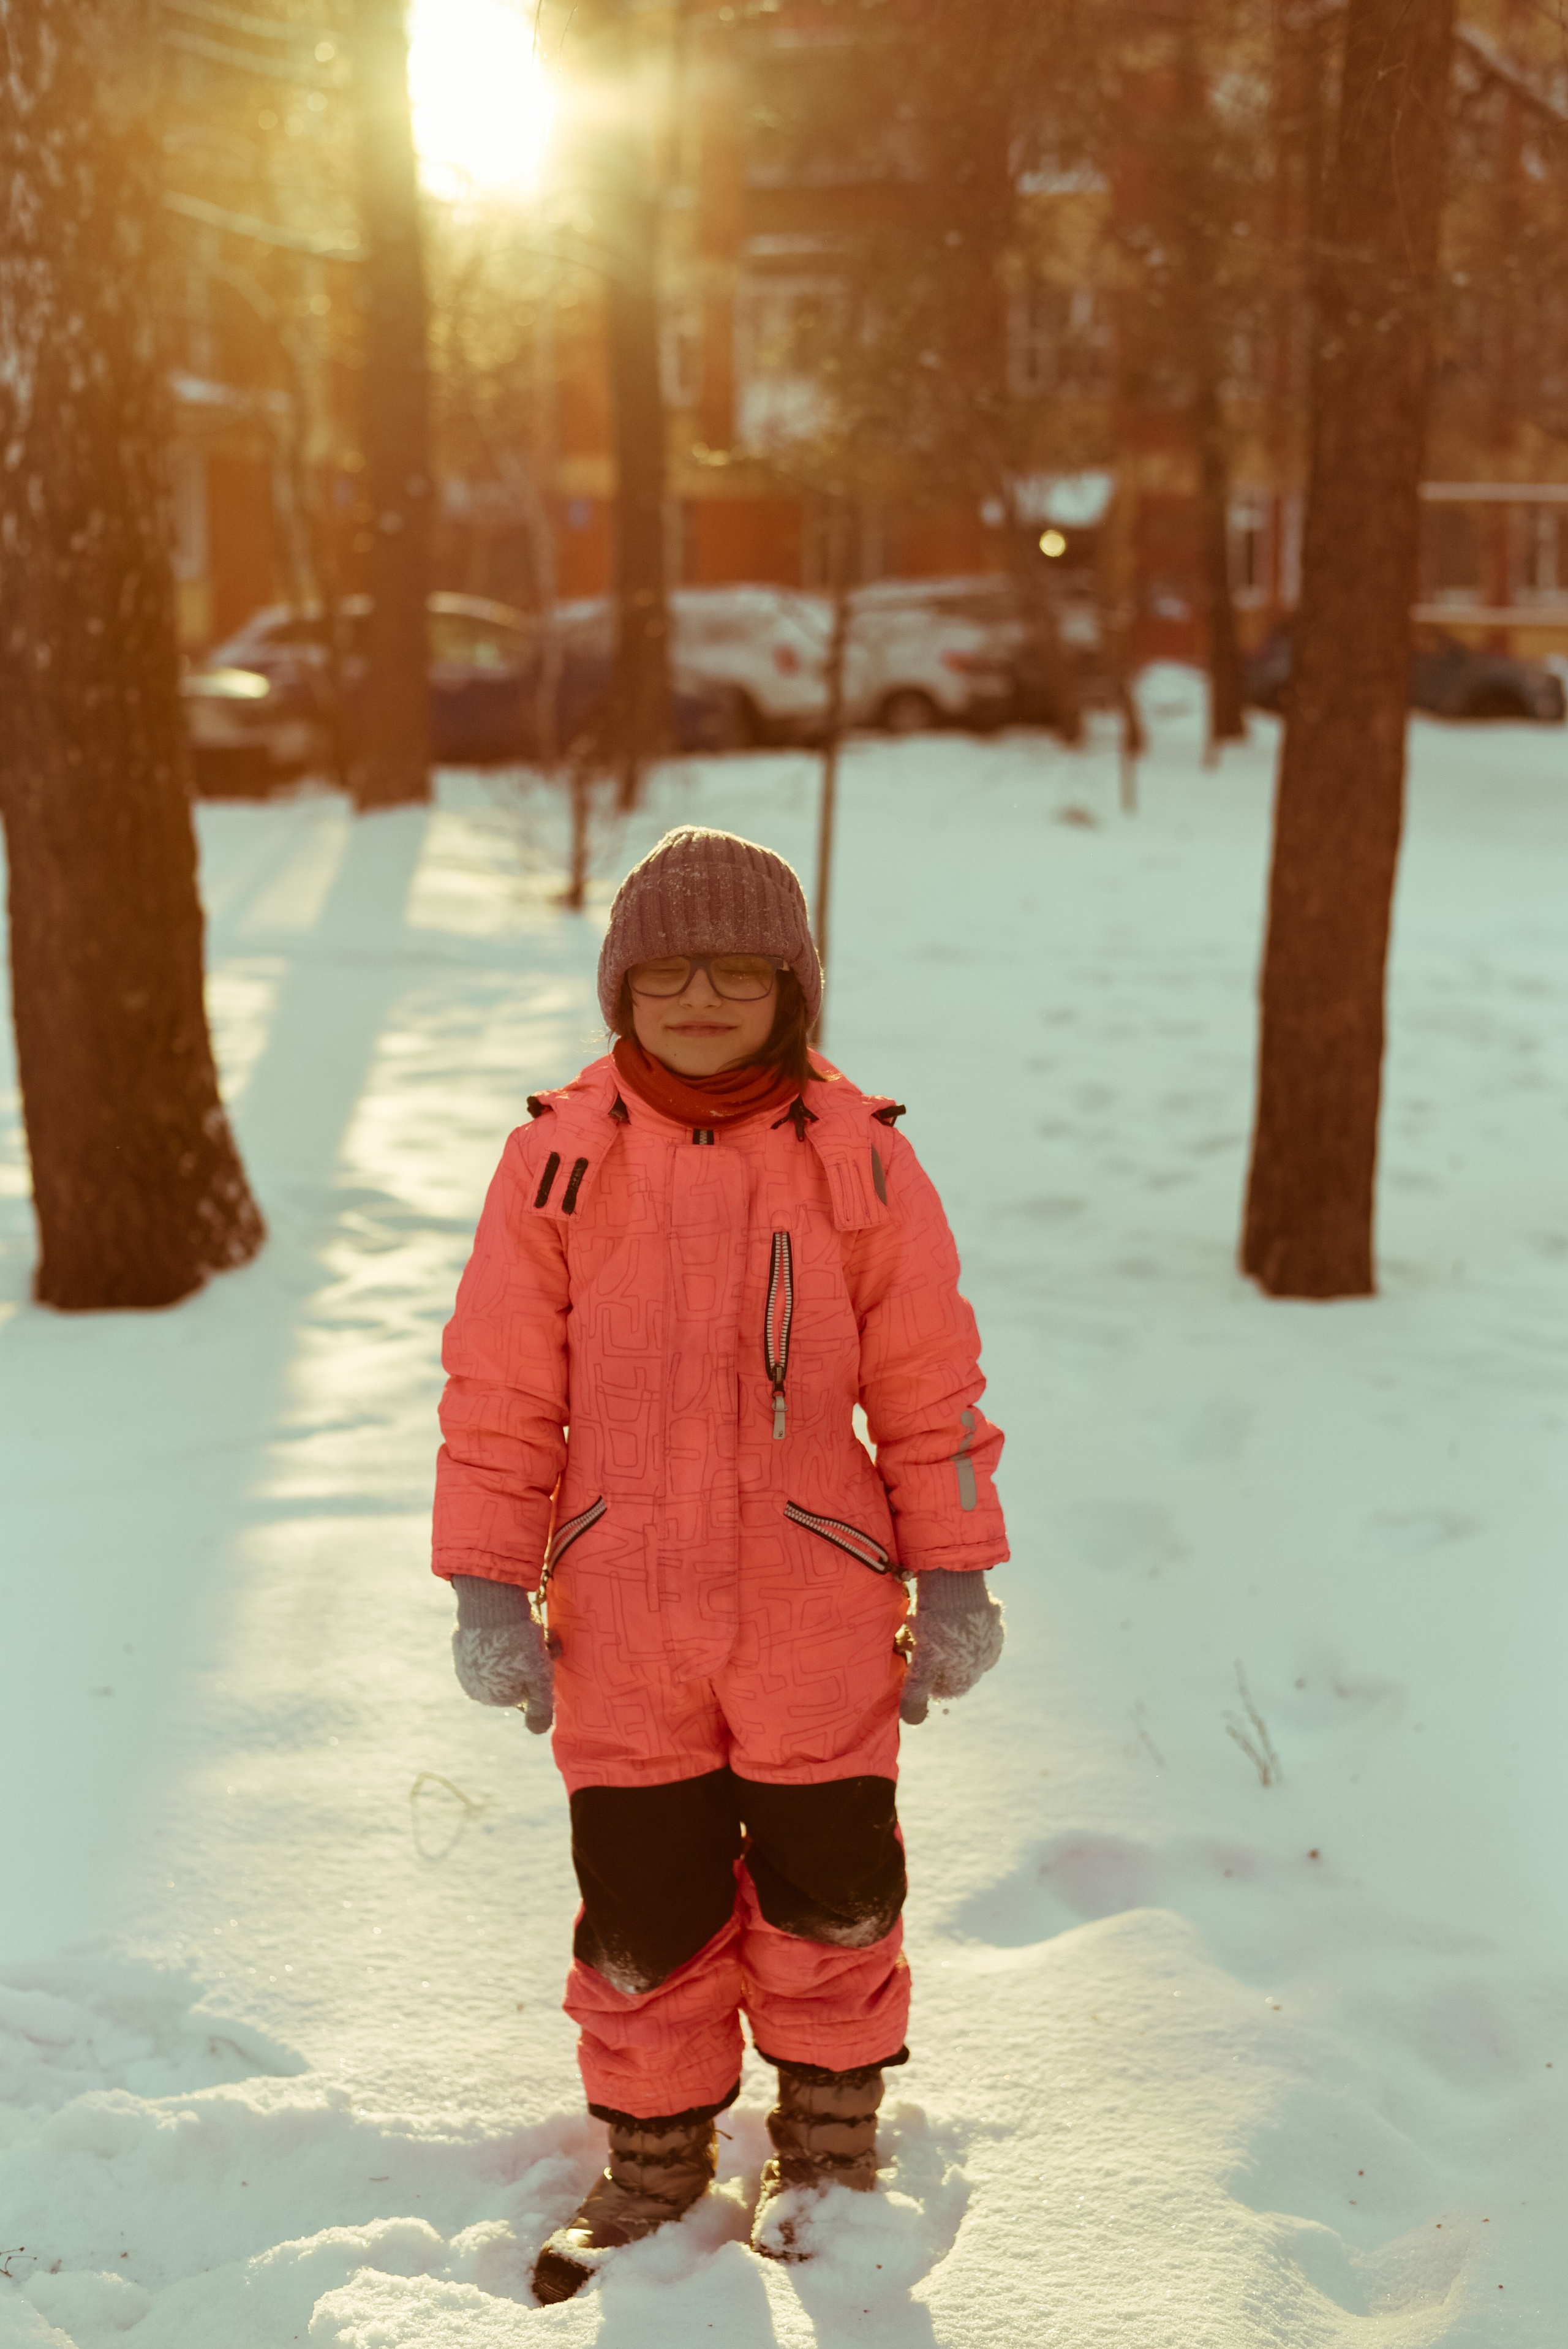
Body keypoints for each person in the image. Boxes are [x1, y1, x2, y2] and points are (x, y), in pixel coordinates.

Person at [432, 826, 1008, 2303]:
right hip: (619, 1609)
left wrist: (950, 1573)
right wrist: (490, 1581)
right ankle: (654, 2157)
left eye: (735, 971)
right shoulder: (555, 1161)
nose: (699, 998)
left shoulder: (859, 1159)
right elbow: (500, 1387)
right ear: (621, 989)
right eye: (666, 970)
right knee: (643, 1905)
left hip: (815, 1600)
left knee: (830, 1892)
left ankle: (823, 2149)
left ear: (790, 990)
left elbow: (929, 1378)